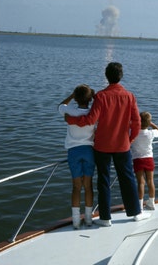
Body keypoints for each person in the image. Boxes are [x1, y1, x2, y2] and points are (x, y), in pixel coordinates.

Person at [66, 62, 150, 227]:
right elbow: (137, 123)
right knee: (127, 179)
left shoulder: (100, 96)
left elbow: (91, 120)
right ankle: (135, 213)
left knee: (103, 180)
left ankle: (105, 217)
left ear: (107, 76)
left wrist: (70, 119)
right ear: (121, 76)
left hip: (102, 146)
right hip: (122, 145)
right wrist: (130, 139)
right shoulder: (130, 96)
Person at [58, 84, 96, 229]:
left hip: (73, 152)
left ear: (76, 97)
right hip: (89, 151)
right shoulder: (94, 112)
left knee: (76, 187)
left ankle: (75, 221)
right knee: (88, 186)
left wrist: (72, 95)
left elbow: (61, 105)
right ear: (90, 99)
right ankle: (88, 219)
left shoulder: (69, 110)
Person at [130, 112, 158, 211]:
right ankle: (151, 202)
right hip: (149, 159)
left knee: (140, 182)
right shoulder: (150, 133)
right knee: (150, 181)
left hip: (137, 159)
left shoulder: (133, 132)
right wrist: (150, 123)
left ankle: (139, 205)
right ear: (148, 123)